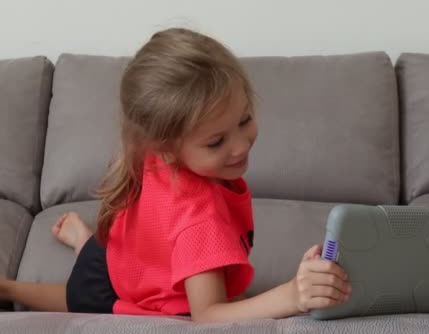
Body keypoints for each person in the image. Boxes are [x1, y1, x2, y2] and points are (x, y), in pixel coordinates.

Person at [0, 28, 351, 322]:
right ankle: (9, 288)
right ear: (166, 146)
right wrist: (292, 295)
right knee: (76, 295)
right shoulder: (201, 222)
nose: (241, 145)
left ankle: (83, 240)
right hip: (112, 283)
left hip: (121, 251)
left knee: (99, 257)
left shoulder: (152, 151)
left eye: (244, 120)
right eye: (216, 142)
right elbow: (208, 315)